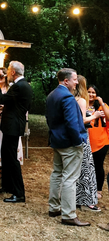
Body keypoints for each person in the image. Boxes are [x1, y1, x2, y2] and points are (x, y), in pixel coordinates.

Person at [46, 68, 90, 226]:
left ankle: (54, 207)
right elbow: (72, 124)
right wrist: (78, 141)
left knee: (57, 174)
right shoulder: (67, 97)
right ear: (66, 81)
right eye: (75, 79)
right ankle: (69, 214)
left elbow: (49, 120)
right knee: (70, 178)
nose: (77, 82)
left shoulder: (52, 95)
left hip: (57, 141)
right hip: (69, 143)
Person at [0, 61, 32, 203]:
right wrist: (6, 109)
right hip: (12, 124)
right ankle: (7, 186)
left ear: (13, 72)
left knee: (12, 159)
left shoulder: (19, 86)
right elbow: (15, 105)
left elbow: (2, 98)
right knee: (6, 156)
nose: (7, 73)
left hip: (13, 127)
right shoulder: (23, 85)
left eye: (8, 70)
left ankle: (18, 193)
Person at [0, 67, 24, 187]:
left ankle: (9, 172)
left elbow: (12, 104)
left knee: (9, 147)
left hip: (9, 121)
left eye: (1, 76)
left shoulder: (12, 89)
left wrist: (5, 109)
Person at [74, 75, 100, 212]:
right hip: (82, 136)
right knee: (86, 169)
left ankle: (75, 197)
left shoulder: (69, 98)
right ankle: (86, 199)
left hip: (72, 137)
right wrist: (94, 116)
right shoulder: (81, 100)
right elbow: (83, 120)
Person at [87, 84, 109, 200]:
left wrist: (102, 103)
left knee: (98, 166)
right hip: (86, 141)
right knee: (86, 166)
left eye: (93, 92)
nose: (91, 94)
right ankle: (87, 188)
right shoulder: (82, 105)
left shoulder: (102, 107)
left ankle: (98, 190)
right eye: (89, 92)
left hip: (101, 141)